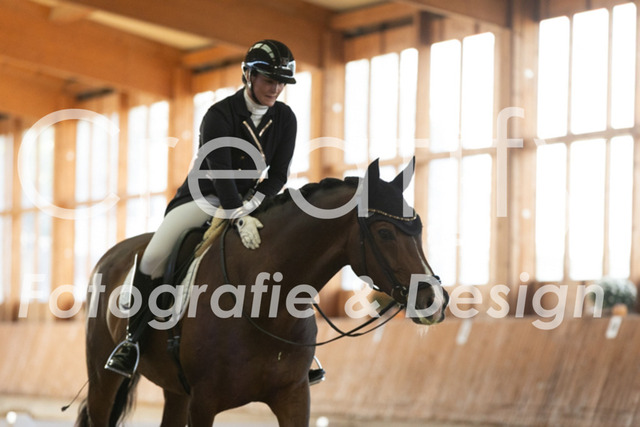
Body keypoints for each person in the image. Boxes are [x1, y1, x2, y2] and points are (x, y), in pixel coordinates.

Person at [105, 40, 325, 384]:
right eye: (269, 80)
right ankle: (132, 341)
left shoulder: (285, 118)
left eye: (281, 83)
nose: (276, 89)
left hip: (251, 200)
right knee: (154, 256)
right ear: (248, 75)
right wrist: (236, 212)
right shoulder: (219, 115)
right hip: (203, 197)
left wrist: (253, 203)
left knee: (282, 249)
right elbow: (220, 172)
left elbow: (279, 174)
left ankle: (294, 348)